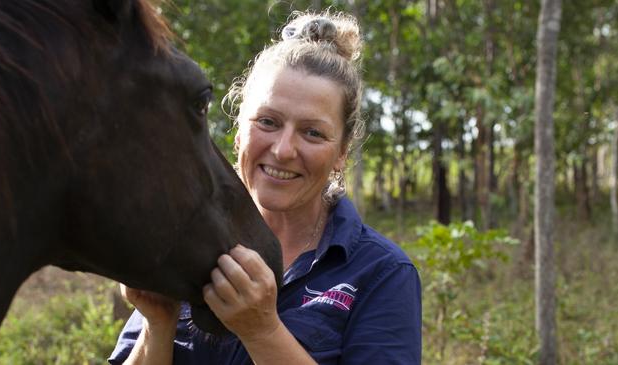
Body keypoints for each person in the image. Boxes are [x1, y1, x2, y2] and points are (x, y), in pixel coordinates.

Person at [109, 10, 421, 365]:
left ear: (342, 153)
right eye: (268, 122)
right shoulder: (190, 241)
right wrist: (158, 323)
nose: (283, 150)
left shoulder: (382, 272)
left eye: (312, 132)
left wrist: (263, 331)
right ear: (239, 130)